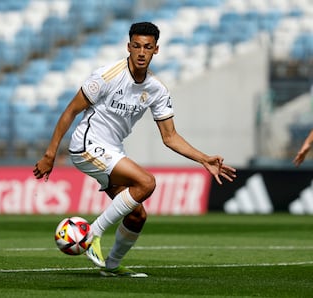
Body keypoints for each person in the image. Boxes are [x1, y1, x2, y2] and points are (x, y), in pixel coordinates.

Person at [33, 22, 237, 277]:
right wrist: (50, 154)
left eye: (148, 47)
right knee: (147, 182)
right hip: (86, 145)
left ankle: (111, 266)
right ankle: (92, 235)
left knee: (137, 215)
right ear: (128, 47)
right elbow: (70, 111)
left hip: (112, 151)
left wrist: (203, 158)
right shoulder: (107, 76)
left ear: (156, 50)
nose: (142, 52)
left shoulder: (156, 90)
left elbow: (170, 137)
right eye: (137, 46)